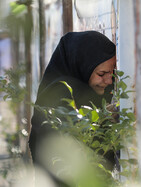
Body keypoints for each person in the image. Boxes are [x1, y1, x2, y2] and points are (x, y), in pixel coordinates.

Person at [28, 31, 116, 185]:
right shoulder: (61, 96)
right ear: (81, 66)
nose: (109, 80)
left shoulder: (92, 92)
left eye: (113, 72)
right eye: (102, 73)